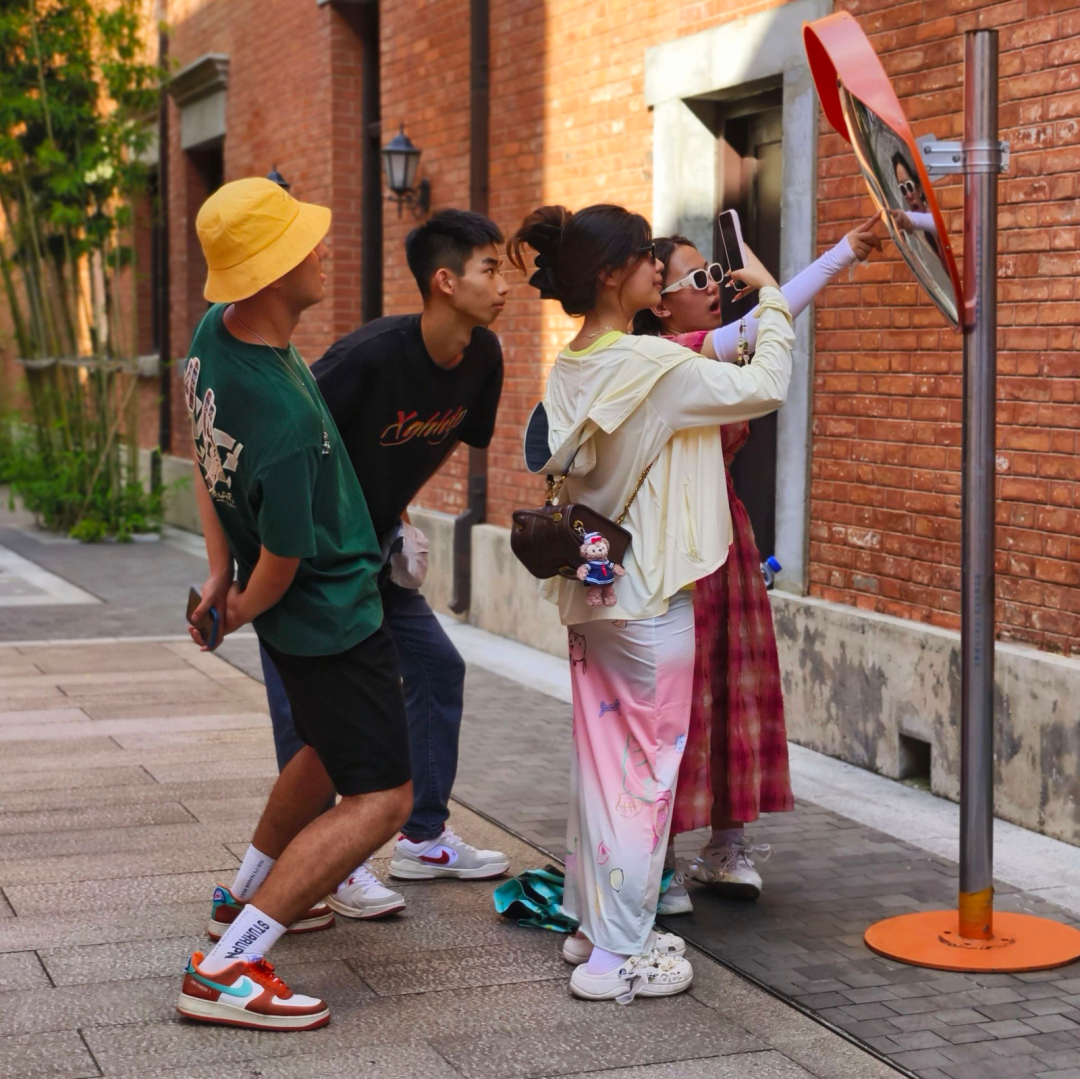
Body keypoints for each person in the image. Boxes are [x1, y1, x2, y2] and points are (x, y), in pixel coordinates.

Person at [508, 203, 794, 1003]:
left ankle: (592, 927)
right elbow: (766, 384)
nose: (659, 268)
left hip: (594, 591)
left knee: (602, 772)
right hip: (653, 596)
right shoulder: (654, 365)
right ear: (611, 275)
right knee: (644, 778)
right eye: (645, 257)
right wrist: (771, 296)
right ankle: (617, 957)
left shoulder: (574, 364)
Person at [177, 177, 413, 1031]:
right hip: (331, 616)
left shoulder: (214, 334)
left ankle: (241, 898)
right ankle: (227, 967)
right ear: (273, 272)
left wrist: (217, 577)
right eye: (303, 244)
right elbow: (280, 564)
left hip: (304, 615)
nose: (321, 252)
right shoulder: (280, 415)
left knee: (324, 747)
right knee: (383, 796)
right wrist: (237, 603)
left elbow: (206, 461)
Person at [257, 209, 512, 921]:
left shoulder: (483, 358)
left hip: (373, 547)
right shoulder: (365, 358)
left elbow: (425, 446)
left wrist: (397, 520)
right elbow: (286, 445)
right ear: (445, 280)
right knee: (313, 716)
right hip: (306, 559)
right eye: (490, 268)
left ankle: (422, 836)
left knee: (436, 669)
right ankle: (327, 863)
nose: (505, 284)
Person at [631, 218, 882, 913]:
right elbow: (764, 325)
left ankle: (726, 844)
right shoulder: (665, 355)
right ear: (659, 302)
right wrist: (808, 268)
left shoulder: (705, 353)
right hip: (676, 543)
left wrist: (844, 251)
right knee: (676, 697)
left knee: (733, 686)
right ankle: (658, 858)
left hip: (726, 537)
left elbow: (764, 324)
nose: (715, 286)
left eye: (716, 273)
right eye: (698, 278)